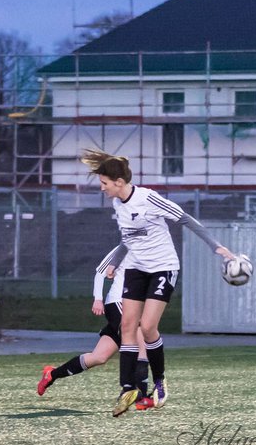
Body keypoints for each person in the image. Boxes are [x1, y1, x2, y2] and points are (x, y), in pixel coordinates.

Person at [80, 148, 235, 417]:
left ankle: (160, 381)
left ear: (118, 182)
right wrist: (116, 262)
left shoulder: (148, 198)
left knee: (148, 327)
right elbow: (128, 240)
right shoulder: (119, 205)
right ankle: (127, 388)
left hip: (163, 268)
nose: (102, 189)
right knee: (128, 326)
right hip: (137, 270)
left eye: (104, 183)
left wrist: (216, 247)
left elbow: (186, 218)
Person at [35, 244, 157, 409]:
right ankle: (140, 396)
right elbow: (101, 271)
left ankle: (52, 374)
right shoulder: (125, 246)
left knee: (99, 357)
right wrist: (97, 298)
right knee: (140, 340)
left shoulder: (156, 250)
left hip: (134, 306)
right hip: (118, 302)